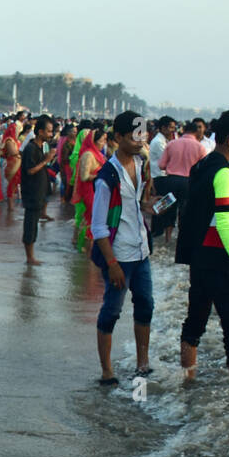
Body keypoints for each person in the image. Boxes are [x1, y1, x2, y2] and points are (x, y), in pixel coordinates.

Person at [178, 110, 229, 383]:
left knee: (194, 323)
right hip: (219, 258)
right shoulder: (224, 172)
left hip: (199, 256)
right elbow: (224, 222)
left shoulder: (202, 165)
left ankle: (188, 381)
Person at [91, 111, 155, 382]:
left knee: (145, 306)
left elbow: (136, 205)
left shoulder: (140, 165)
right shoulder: (107, 177)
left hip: (141, 251)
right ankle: (107, 370)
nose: (140, 141)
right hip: (119, 255)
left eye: (143, 134)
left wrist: (151, 206)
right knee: (111, 311)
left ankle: (143, 363)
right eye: (134, 136)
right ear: (118, 137)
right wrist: (112, 264)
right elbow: (98, 227)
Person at [157, 119, 208, 245]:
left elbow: (161, 165)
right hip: (189, 182)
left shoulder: (172, 144)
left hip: (170, 181)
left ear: (183, 131)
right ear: (196, 132)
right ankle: (181, 238)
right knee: (185, 210)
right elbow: (203, 169)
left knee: (168, 209)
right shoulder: (200, 147)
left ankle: (167, 238)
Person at [21, 115, 58, 265]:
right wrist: (46, 160)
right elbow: (30, 170)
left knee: (34, 225)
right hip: (31, 193)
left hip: (38, 193)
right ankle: (29, 257)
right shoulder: (31, 148)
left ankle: (31, 256)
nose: (51, 135)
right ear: (40, 131)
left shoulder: (39, 147)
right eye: (49, 131)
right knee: (30, 225)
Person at [72, 126, 107, 250]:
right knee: (91, 221)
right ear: (94, 141)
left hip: (96, 191)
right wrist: (101, 175)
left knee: (95, 221)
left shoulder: (98, 154)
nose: (104, 144)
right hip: (89, 192)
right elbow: (84, 176)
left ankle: (89, 252)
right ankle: (87, 253)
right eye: (102, 140)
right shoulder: (88, 155)